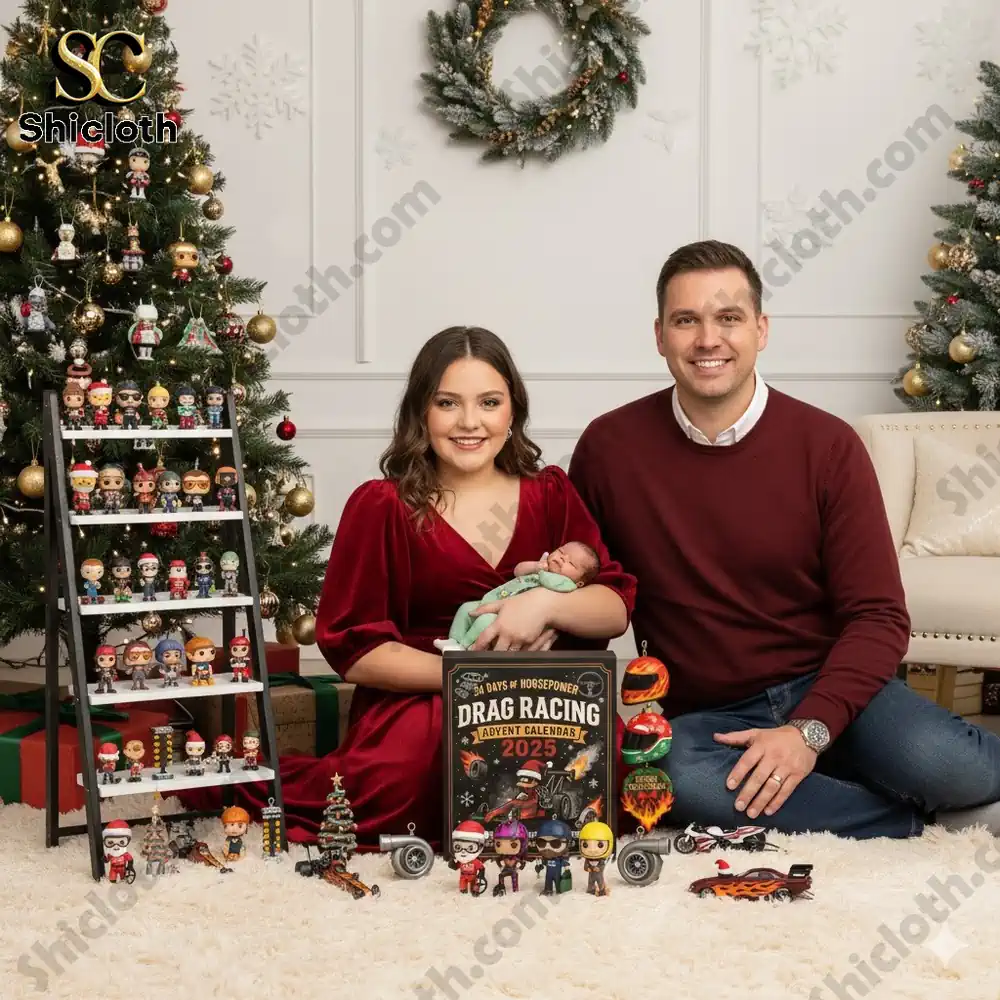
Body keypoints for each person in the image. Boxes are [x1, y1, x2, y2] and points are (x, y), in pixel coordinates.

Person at [569, 239, 1000, 840]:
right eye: (686, 320)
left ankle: (852, 773)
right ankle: (905, 822)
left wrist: (808, 732)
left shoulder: (826, 446)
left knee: (952, 768)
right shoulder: (609, 448)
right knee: (666, 776)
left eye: (728, 318)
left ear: (761, 329)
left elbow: (878, 617)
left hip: (832, 687)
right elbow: (588, 585)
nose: (707, 339)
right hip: (708, 715)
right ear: (660, 334)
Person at [178, 326, 635, 847]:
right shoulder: (383, 506)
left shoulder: (551, 493)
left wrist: (543, 604)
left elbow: (614, 608)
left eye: (489, 402)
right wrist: (469, 679)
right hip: (425, 693)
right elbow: (355, 649)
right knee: (406, 776)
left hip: (544, 696)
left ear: (513, 412)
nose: (469, 422)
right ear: (422, 411)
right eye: (448, 403)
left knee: (608, 766)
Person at [438, 541, 601, 650]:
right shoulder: (541, 567)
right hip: (495, 600)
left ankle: (464, 649)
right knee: (466, 609)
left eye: (570, 563)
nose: (561, 558)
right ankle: (454, 640)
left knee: (484, 623)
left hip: (512, 619)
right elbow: (518, 570)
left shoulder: (567, 585)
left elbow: (551, 583)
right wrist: (537, 565)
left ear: (580, 582)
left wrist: (545, 570)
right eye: (561, 552)